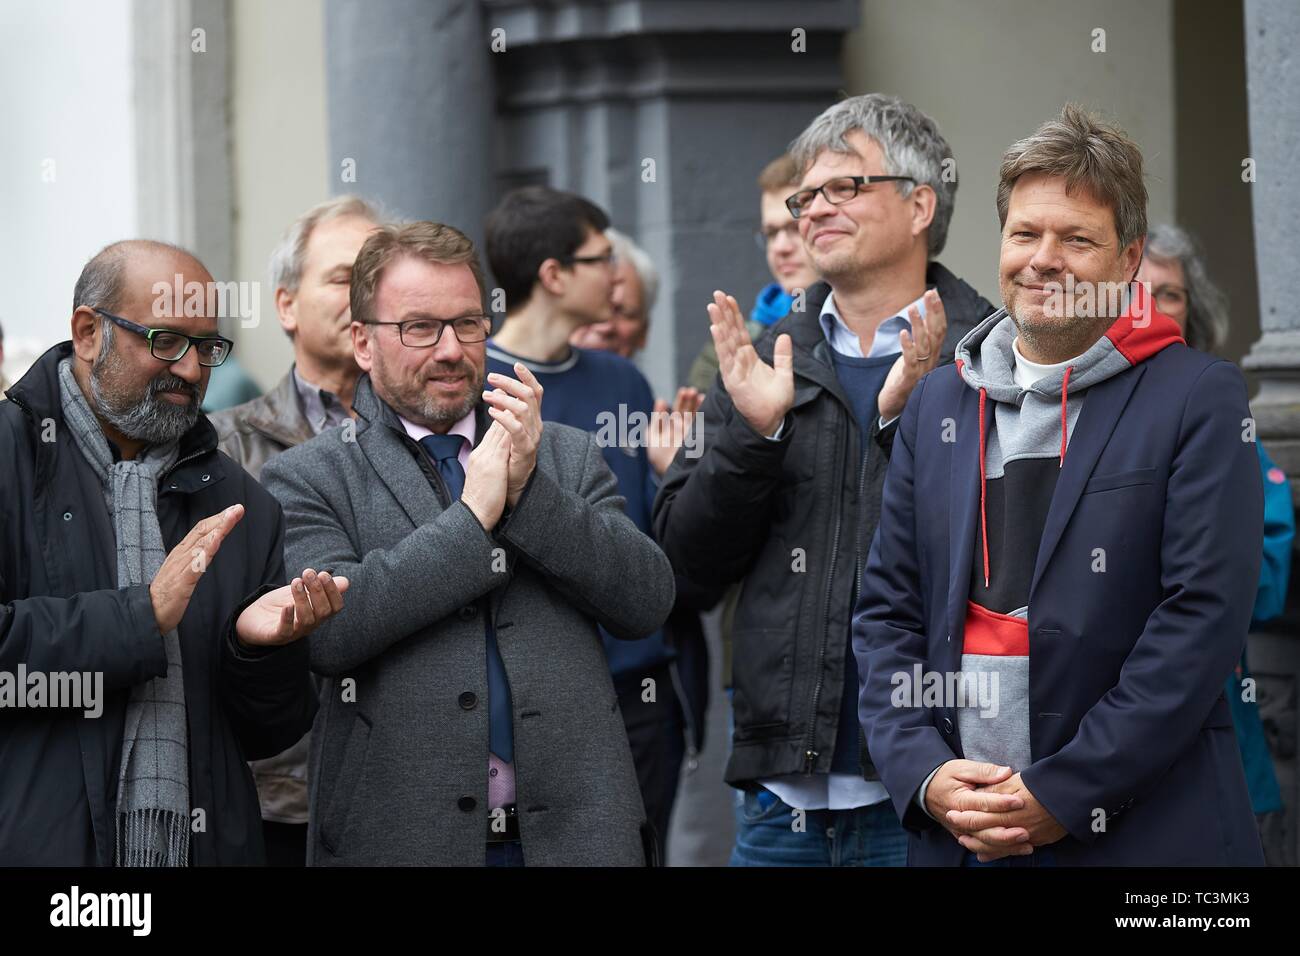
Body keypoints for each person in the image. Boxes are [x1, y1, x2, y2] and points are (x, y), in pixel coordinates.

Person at [854, 105, 1265, 866]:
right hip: (960, 837)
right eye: (1025, 234)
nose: (1044, 260)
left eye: (1077, 238)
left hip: (1143, 838)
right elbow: (887, 616)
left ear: (1129, 257)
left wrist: (1064, 795)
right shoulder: (940, 402)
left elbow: (1199, 623)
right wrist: (925, 773)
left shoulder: (1198, 397)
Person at [262, 221, 675, 866]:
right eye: (420, 328)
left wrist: (529, 496)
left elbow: (645, 600)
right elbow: (330, 635)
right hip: (402, 843)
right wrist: (473, 518)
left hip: (575, 841)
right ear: (364, 343)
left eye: (468, 324)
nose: (451, 349)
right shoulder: (310, 474)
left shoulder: (559, 453)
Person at [654, 93, 996, 866]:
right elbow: (680, 571)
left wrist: (908, 420)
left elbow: (1010, 559)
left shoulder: (989, 355)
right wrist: (757, 435)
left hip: (937, 788)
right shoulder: (768, 357)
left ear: (919, 204)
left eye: (844, 187)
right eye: (805, 195)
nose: (812, 210)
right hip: (781, 801)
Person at [0, 239, 346, 865]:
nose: (190, 369)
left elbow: (271, 732)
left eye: (207, 347)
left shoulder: (241, 500)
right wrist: (139, 617)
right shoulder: (10, 459)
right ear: (87, 332)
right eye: (165, 341)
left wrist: (258, 651)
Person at [485, 189, 705, 860]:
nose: (617, 273)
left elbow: (647, 544)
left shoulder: (625, 382)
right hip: (529, 700)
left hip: (639, 697)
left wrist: (681, 479)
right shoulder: (476, 385)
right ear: (553, 275)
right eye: (602, 258)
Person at [209, 195, 381, 865]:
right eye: (343, 277)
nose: (365, 295)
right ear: (285, 305)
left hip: (419, 787)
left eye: (378, 277)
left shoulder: (440, 438)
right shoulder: (223, 446)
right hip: (280, 794)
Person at [1138, 223, 1293, 856]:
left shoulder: (1221, 411)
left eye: (1169, 294)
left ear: (1191, 312)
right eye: (1133, 291)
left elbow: (1265, 576)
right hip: (1087, 767)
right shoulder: (1063, 410)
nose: (1149, 306)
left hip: (1218, 742)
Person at [687, 153, 821, 393]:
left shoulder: (863, 330)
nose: (780, 247)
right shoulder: (736, 340)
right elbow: (698, 425)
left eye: (794, 227)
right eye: (770, 233)